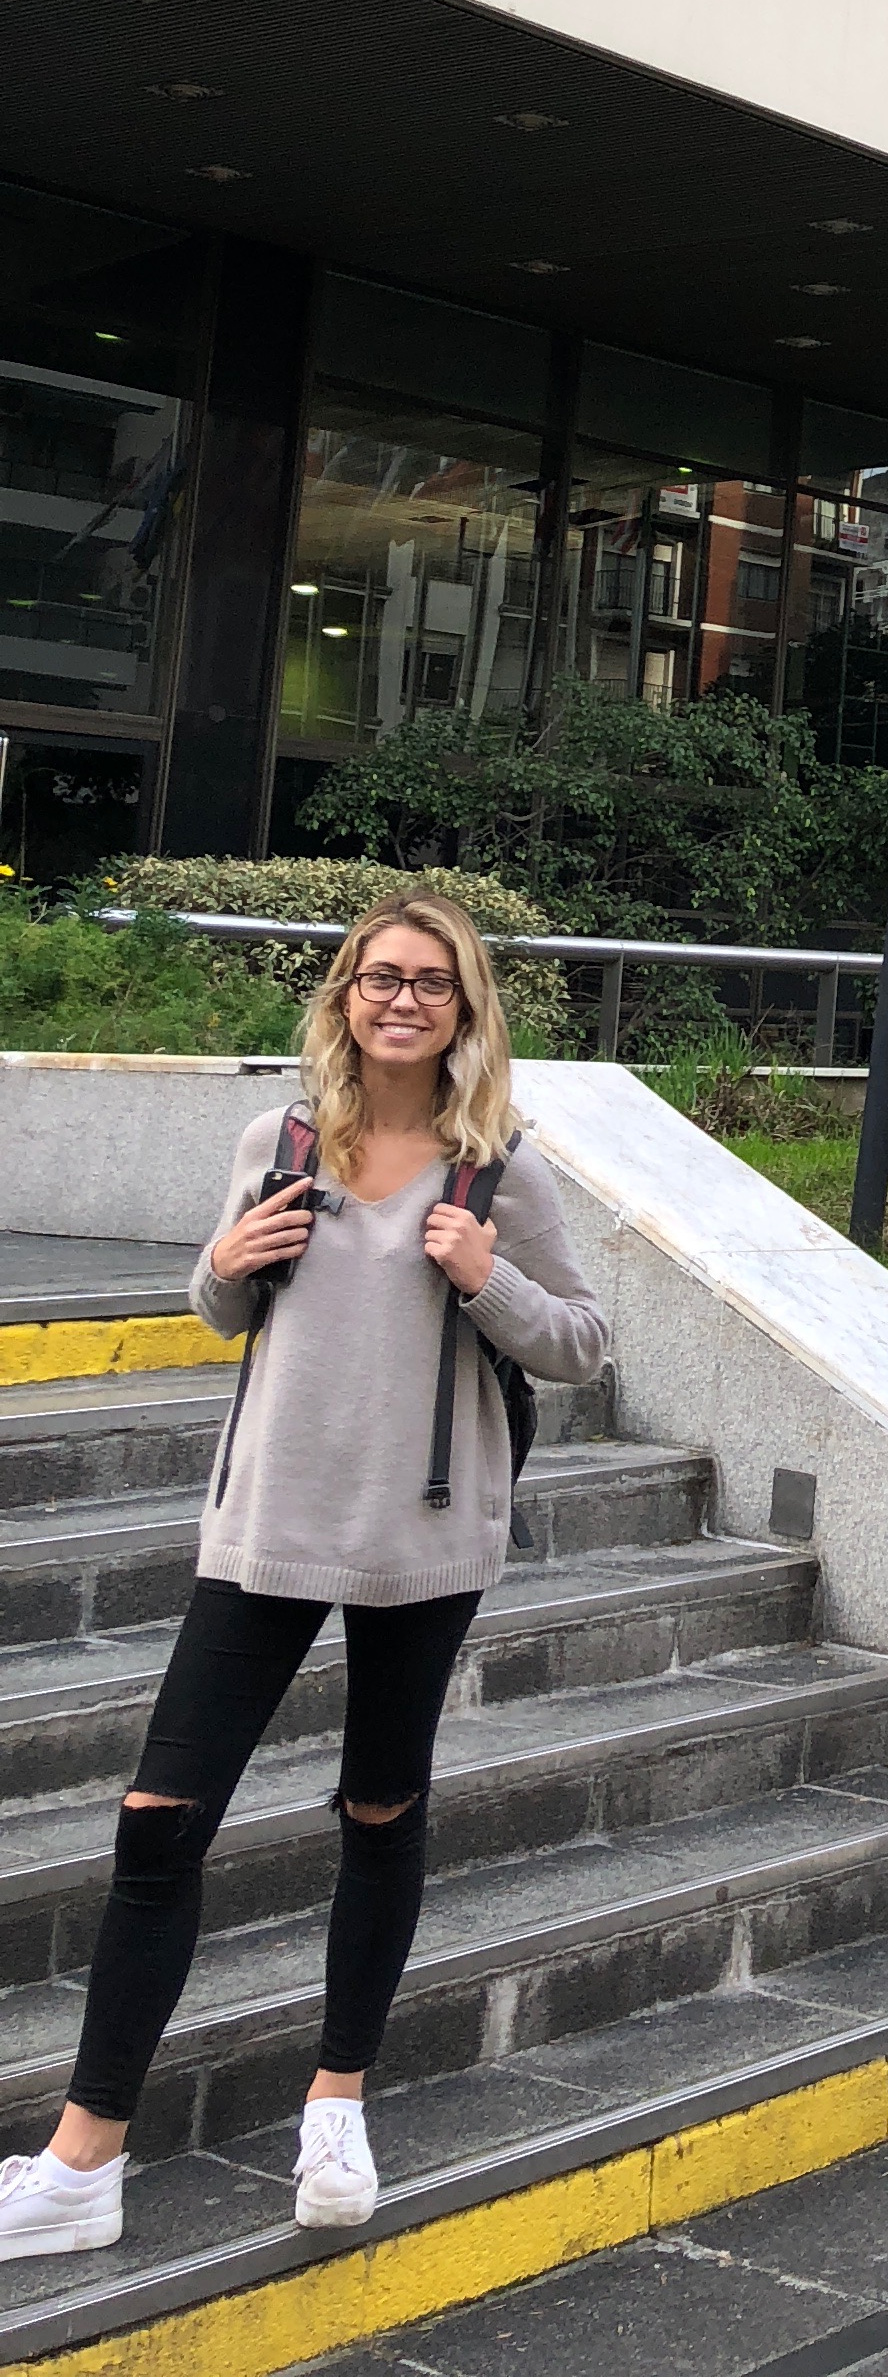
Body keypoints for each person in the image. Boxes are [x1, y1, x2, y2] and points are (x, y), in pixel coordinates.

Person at [0, 892, 608, 2254]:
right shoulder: (273, 1141)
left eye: (432, 983)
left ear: (466, 1010)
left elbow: (582, 1343)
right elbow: (223, 1308)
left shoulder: (502, 1171)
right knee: (159, 1818)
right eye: (379, 976)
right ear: (343, 994)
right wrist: (220, 1261)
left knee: (380, 1815)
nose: (403, 1000)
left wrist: (487, 1279)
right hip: (267, 1528)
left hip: (422, 1538)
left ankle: (337, 2106)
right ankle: (84, 2160)